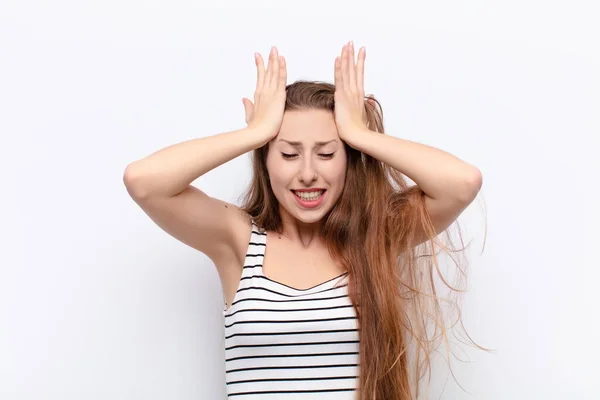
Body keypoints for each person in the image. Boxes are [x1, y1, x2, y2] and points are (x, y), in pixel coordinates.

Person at [123, 41, 485, 400]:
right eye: (289, 153)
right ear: (266, 159)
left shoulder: (377, 234)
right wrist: (253, 134)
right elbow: (144, 182)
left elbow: (461, 183)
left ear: (348, 158)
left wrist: (360, 134)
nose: (308, 173)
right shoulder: (238, 239)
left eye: (327, 153)